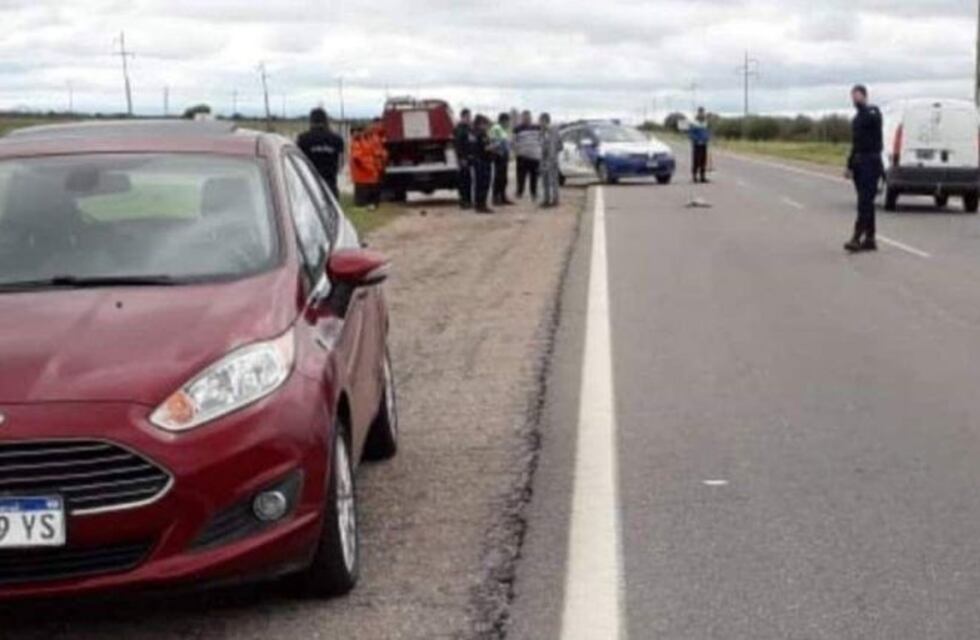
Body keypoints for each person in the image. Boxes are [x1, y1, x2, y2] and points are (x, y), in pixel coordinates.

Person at [844, 84, 884, 253]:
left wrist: (865, 107)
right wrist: (849, 165)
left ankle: (856, 237)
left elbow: (874, 119)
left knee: (864, 203)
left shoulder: (872, 112)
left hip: (871, 162)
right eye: (853, 96)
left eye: (858, 96)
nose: (855, 99)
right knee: (866, 202)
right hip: (860, 163)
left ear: (865, 96)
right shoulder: (856, 119)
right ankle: (870, 238)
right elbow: (855, 144)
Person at [297, 107, 345, 198]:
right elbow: (341, 164)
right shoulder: (337, 139)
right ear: (326, 120)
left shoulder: (303, 139)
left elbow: (298, 162)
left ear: (311, 121)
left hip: (309, 186)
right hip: (330, 185)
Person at [513, 110, 542, 201]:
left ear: (531, 117)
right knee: (521, 176)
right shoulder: (517, 129)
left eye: (528, 117)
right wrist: (516, 150)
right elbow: (513, 141)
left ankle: (534, 193)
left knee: (534, 177)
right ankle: (519, 192)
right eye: (525, 117)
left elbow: (541, 139)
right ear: (522, 118)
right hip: (522, 157)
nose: (527, 119)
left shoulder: (537, 127)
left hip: (534, 157)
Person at [350, 127, 381, 209]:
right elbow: (356, 158)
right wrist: (365, 167)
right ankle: (364, 204)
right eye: (362, 132)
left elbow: (376, 153)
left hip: (370, 171)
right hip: (363, 172)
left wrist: (376, 165)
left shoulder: (370, 140)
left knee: (372, 191)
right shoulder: (357, 142)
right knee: (363, 194)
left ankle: (371, 204)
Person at [489, 113, 514, 206]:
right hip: (498, 155)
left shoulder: (504, 130)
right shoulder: (496, 129)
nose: (508, 123)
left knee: (504, 178)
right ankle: (495, 198)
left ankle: (503, 197)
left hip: (504, 155)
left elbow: (507, 142)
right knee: (498, 178)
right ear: (503, 121)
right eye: (507, 121)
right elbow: (495, 143)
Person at [472, 114, 494, 214]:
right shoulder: (481, 134)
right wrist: (494, 146)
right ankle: (482, 205)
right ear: (480, 124)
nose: (486, 126)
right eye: (485, 124)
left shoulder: (475, 133)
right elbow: (485, 148)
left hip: (480, 161)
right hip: (483, 161)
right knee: (483, 184)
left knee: (479, 184)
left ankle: (479, 205)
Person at [539, 113, 563, 208]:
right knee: (544, 181)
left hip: (552, 160)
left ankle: (555, 200)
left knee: (553, 181)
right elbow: (540, 144)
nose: (540, 123)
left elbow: (560, 145)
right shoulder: (541, 132)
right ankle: (546, 200)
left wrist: (553, 154)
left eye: (541, 121)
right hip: (543, 160)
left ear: (546, 121)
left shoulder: (554, 131)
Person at [453, 108, 475, 209]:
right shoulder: (459, 129)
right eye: (468, 117)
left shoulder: (469, 128)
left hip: (469, 158)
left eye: (470, 117)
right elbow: (458, 145)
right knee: (463, 181)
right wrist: (461, 158)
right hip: (463, 159)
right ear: (463, 117)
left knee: (469, 180)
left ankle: (468, 200)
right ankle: (463, 201)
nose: (470, 118)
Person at [688, 107, 711, 183]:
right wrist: (696, 140)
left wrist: (708, 138)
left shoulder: (705, 122)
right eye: (700, 112)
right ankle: (694, 177)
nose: (702, 114)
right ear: (698, 113)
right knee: (696, 160)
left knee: (703, 161)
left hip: (704, 144)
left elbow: (707, 132)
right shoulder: (694, 122)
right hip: (696, 144)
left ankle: (702, 177)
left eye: (703, 112)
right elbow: (691, 134)